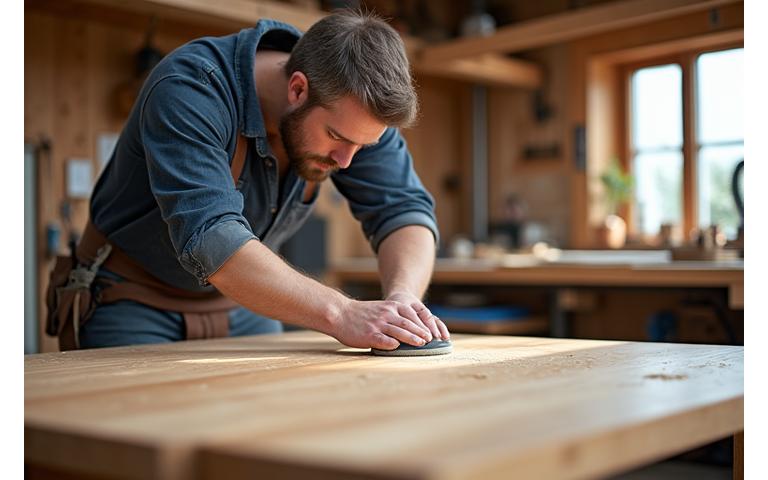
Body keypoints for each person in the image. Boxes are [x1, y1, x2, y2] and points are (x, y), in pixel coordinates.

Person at [46, 9, 449, 351]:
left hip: (245, 304)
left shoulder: (355, 113)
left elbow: (403, 210)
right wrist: (342, 312)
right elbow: (212, 237)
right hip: (131, 297)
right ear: (298, 89)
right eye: (336, 138)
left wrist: (403, 300)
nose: (347, 161)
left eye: (363, 146)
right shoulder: (192, 88)